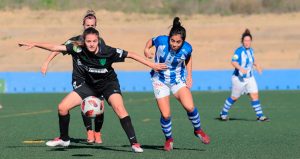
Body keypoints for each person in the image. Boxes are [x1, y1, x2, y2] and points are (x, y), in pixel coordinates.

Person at [19, 27, 167, 153]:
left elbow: (132, 55)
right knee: (62, 108)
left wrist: (152, 65)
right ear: (84, 41)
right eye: (88, 41)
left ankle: (134, 143)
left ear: (98, 40)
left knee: (119, 108)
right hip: (89, 86)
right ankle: (64, 139)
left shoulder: (108, 51)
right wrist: (35, 43)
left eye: (94, 41)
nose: (91, 44)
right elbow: (56, 47)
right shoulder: (78, 49)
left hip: (109, 84)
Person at [144, 17, 210, 151]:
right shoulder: (162, 40)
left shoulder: (187, 48)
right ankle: (169, 139)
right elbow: (150, 41)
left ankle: (198, 130)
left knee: (190, 107)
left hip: (177, 80)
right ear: (168, 38)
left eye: (178, 42)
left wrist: (189, 75)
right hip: (159, 80)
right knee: (166, 115)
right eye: (172, 41)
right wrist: (146, 49)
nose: (174, 44)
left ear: (183, 41)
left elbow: (188, 58)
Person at [41, 10, 105, 144]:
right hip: (80, 78)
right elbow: (58, 49)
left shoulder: (99, 41)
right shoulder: (75, 41)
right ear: (83, 25)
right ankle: (89, 131)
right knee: (86, 103)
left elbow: (104, 58)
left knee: (100, 105)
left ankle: (97, 132)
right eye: (88, 25)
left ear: (96, 25)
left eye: (92, 25)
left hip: (96, 79)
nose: (90, 27)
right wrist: (47, 62)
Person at [219, 29, 269, 122]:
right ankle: (223, 113)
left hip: (250, 77)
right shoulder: (239, 51)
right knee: (234, 97)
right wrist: (240, 68)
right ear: (242, 41)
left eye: (249, 40)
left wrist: (257, 66)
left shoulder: (251, 50)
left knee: (254, 95)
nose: (247, 42)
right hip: (239, 78)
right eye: (245, 40)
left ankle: (260, 116)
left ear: (251, 41)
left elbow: (252, 60)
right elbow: (233, 62)